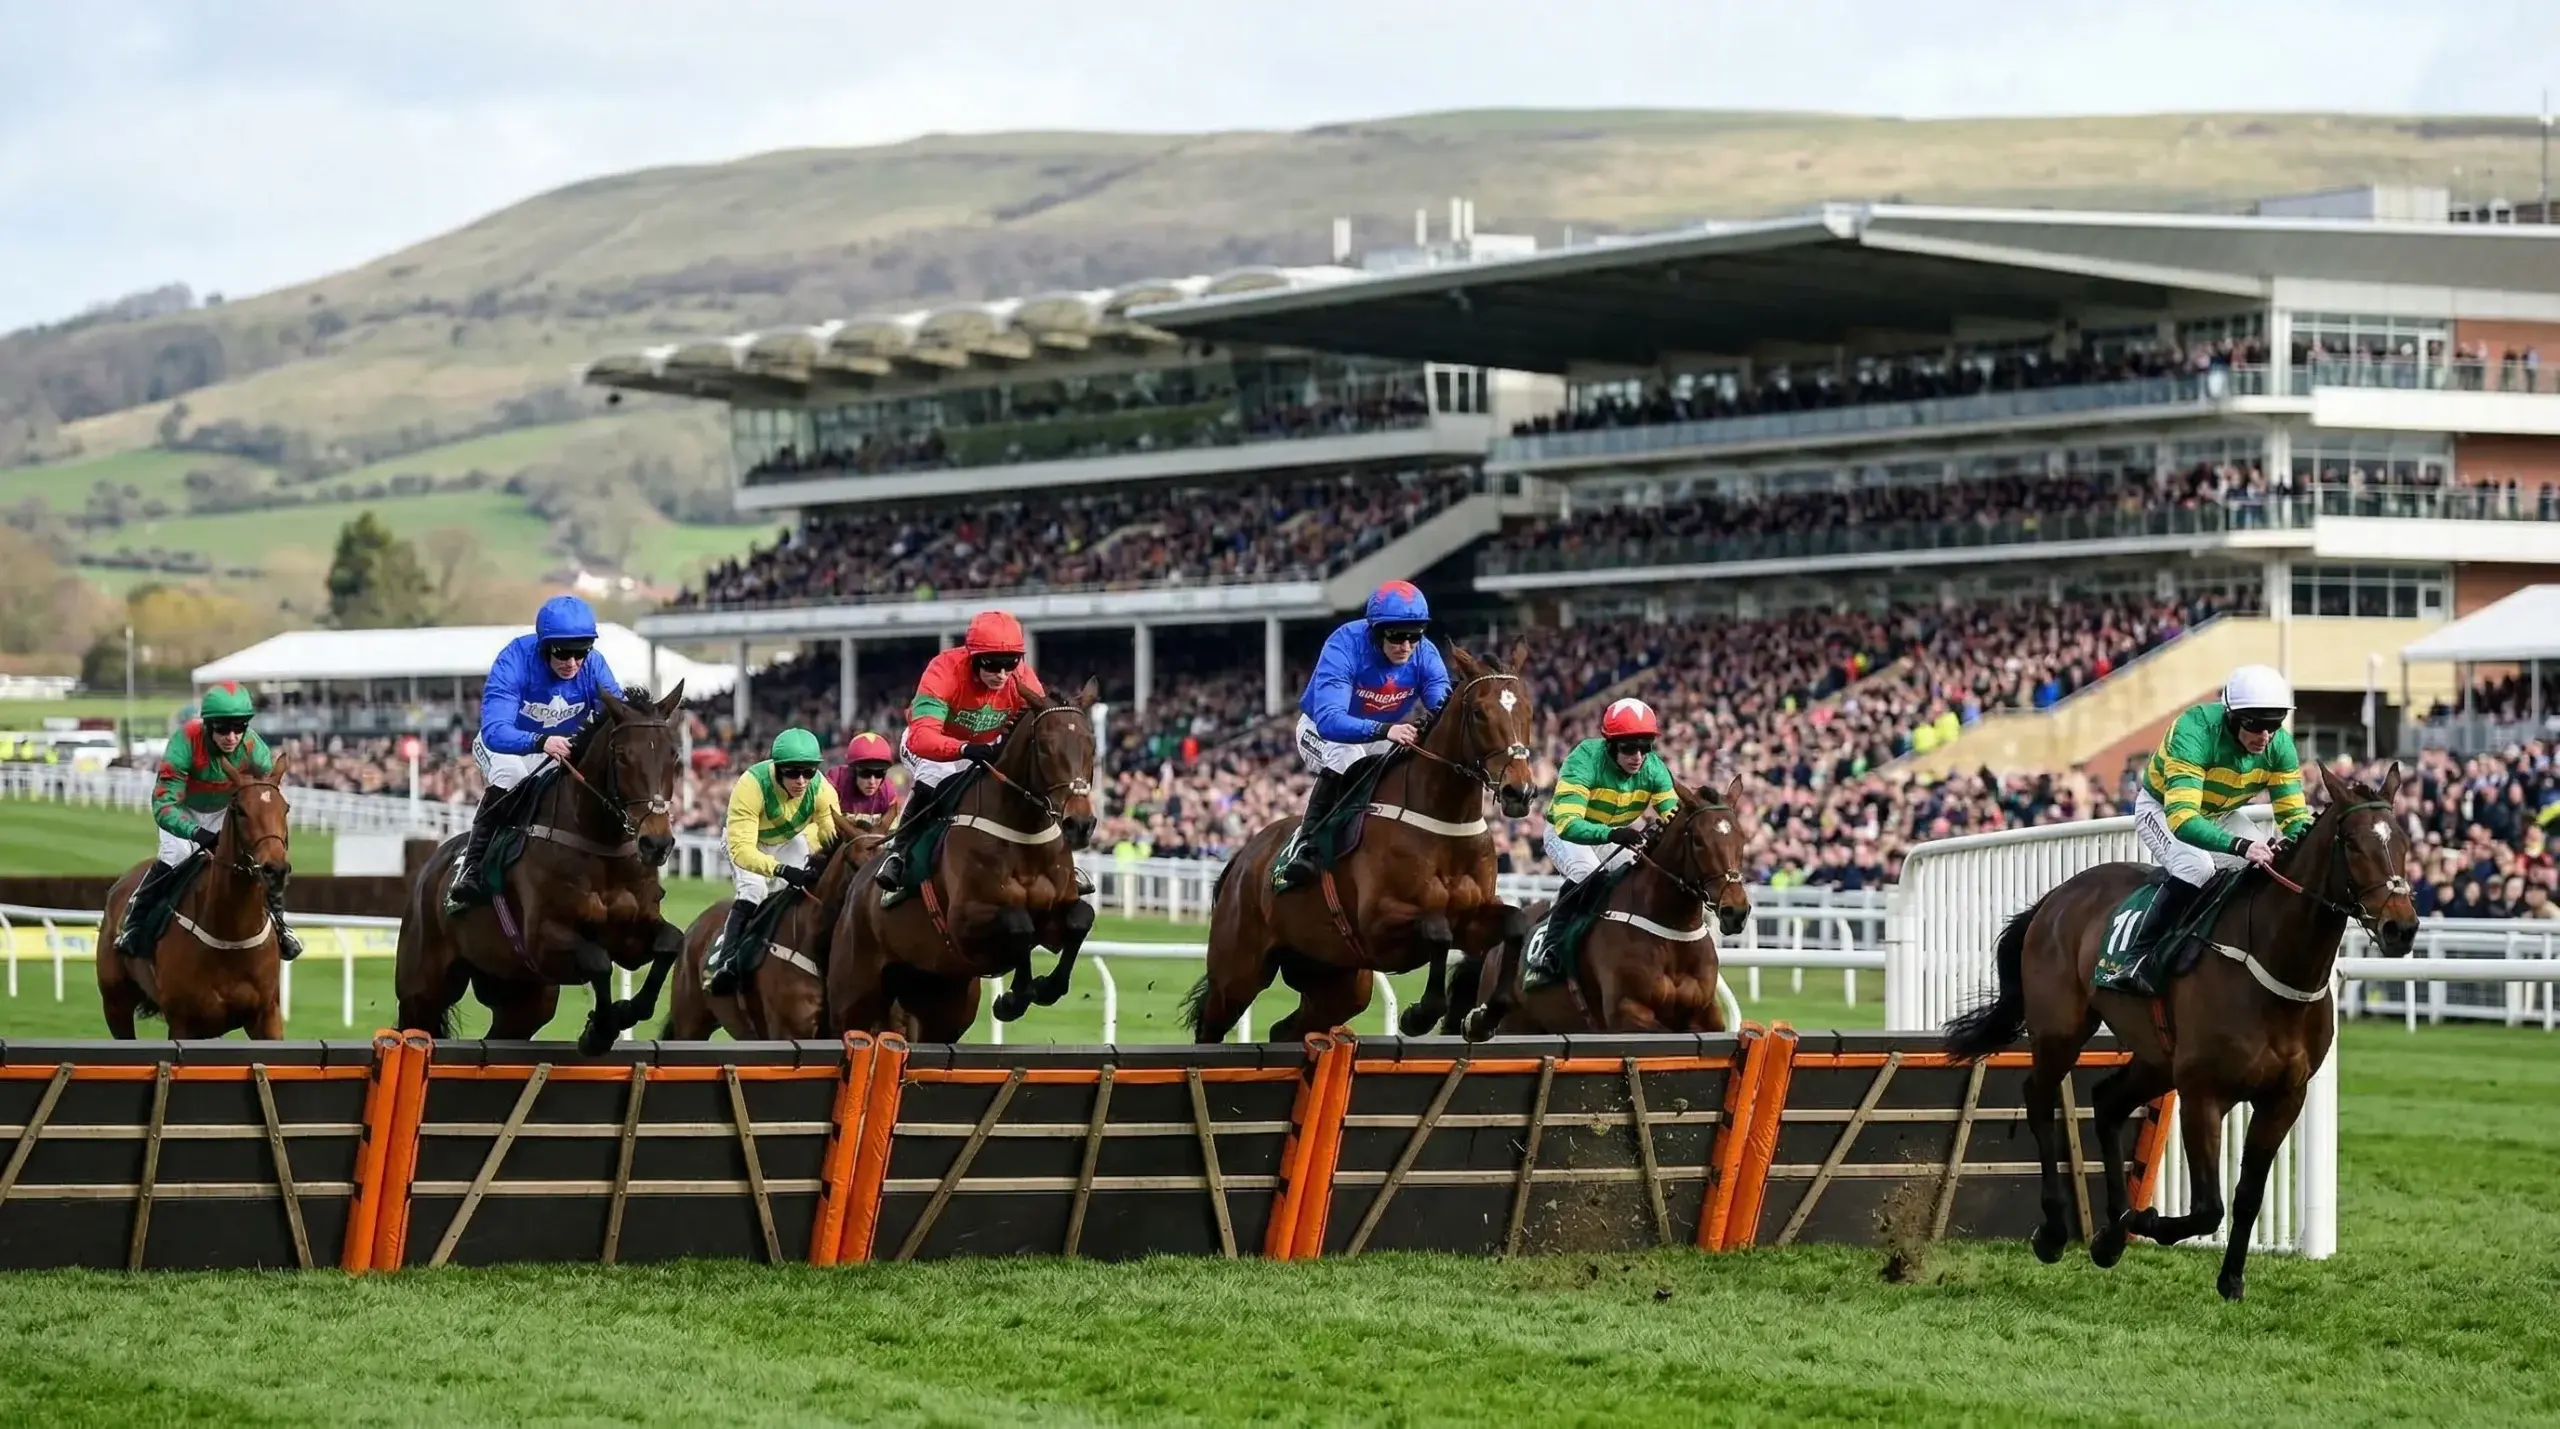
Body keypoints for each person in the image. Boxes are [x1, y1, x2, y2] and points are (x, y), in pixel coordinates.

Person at [2123, 663, 2316, 964]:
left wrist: (2306, 848)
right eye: (2256, 725)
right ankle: (2137, 954)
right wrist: (2240, 845)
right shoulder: (2194, 730)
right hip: (2163, 809)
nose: (2265, 736)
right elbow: (2183, 818)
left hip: (2220, 813)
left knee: (2267, 865)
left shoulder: (2280, 746)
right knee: (2197, 867)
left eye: (2275, 724)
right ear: (2233, 717)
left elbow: (2293, 818)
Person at [447, 595, 625, 908]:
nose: (572, 663)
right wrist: (540, 741)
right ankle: (471, 867)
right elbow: (495, 731)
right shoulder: (515, 659)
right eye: (563, 653)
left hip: (558, 748)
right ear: (544, 647)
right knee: (513, 776)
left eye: (581, 652)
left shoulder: (594, 666)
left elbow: (620, 718)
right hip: (507, 746)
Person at [1274, 580, 1452, 889]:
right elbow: (1331, 721)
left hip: (1381, 732)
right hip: (1323, 730)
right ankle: (1307, 846)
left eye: (1414, 636)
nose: (1406, 646)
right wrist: (1385, 729)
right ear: (1375, 631)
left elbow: (1443, 709)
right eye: (1397, 636)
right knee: (1348, 758)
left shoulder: (1425, 653)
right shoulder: (1344, 645)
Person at [118, 682, 301, 960]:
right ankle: (135, 922)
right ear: (208, 725)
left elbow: (267, 795)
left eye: (239, 727)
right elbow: (164, 804)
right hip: (182, 810)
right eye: (223, 728)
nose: (231, 737)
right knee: (176, 854)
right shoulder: (186, 741)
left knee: (258, 859)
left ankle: (280, 924)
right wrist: (196, 833)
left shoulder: (253, 746)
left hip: (223, 812)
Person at [873, 611, 1046, 901]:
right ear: (973, 657)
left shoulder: (1022, 677)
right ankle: (898, 854)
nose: (1002, 674)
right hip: (930, 745)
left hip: (983, 747)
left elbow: (1041, 723)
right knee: (936, 776)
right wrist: (963, 749)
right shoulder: (944, 670)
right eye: (992, 664)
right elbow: (922, 737)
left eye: (1011, 663)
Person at [705, 728, 842, 995]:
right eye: (792, 772)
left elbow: (832, 837)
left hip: (787, 840)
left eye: (808, 772)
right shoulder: (752, 784)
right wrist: (780, 869)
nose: (801, 781)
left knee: (798, 893)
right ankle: (724, 963)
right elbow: (742, 850)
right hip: (746, 841)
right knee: (755, 891)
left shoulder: (821, 789)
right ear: (777, 769)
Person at [1543, 698, 1679, 895]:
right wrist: (1613, 834)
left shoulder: (1655, 769)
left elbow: (1675, 817)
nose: (1638, 757)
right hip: (1565, 833)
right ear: (1610, 744)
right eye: (1629, 747)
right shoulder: (1584, 760)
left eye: (1645, 747)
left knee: (1642, 877)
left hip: (1611, 837)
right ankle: (1556, 916)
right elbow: (1568, 825)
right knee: (1588, 875)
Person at [825, 730, 903, 829]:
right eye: (865, 773)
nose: (872, 782)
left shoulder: (888, 792)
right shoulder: (835, 782)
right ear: (852, 771)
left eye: (879, 773)